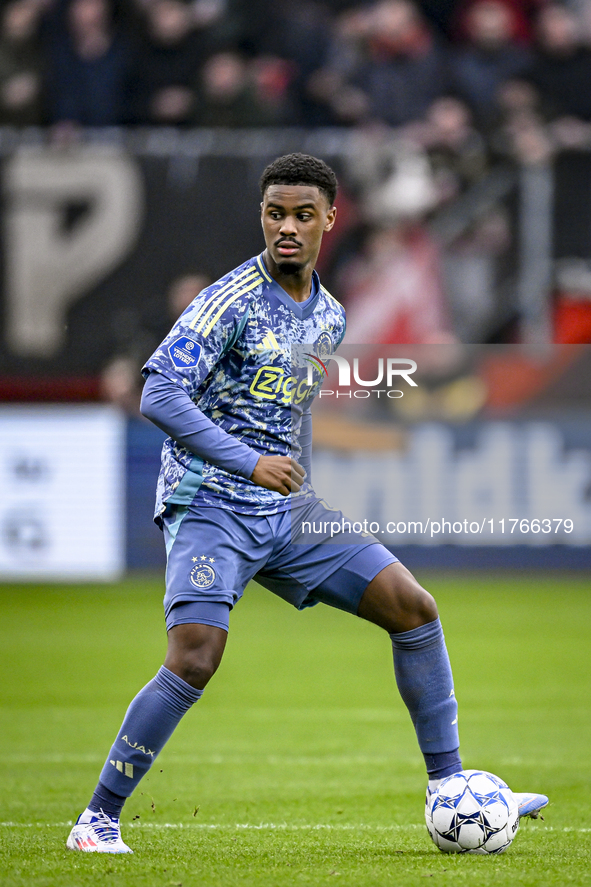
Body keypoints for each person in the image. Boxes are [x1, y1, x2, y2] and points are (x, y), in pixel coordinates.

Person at [66, 153, 547, 854]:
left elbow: (293, 411)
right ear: (262, 217)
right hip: (212, 503)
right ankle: (96, 818)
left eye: (300, 214)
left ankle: (449, 785)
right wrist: (248, 462)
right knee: (196, 656)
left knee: (412, 606)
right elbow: (159, 394)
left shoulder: (326, 312)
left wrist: (299, 479)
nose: (285, 227)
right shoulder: (228, 301)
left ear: (329, 218)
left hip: (288, 512)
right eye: (273, 213)